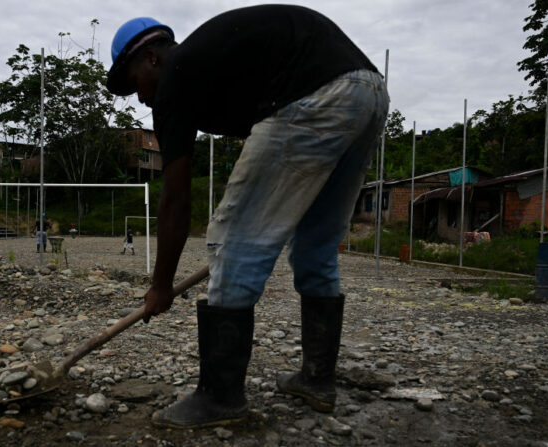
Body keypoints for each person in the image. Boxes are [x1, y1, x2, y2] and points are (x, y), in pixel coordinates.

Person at [106, 5, 388, 428]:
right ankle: (317, 380)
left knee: (233, 237)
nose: (142, 98)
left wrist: (160, 287)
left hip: (318, 93)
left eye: (134, 85)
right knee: (316, 243)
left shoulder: (178, 75)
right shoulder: (216, 70)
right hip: (369, 92)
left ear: (150, 57)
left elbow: (176, 200)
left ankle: (220, 397)